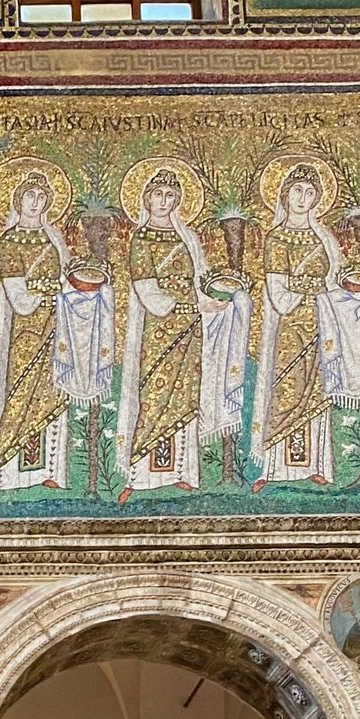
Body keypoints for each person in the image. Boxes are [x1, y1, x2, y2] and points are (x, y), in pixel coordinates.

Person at [115, 168, 247, 499]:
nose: (164, 201)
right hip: (158, 332)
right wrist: (193, 307)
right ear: (147, 199)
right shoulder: (141, 239)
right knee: (155, 397)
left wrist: (218, 298)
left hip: (190, 331)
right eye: (158, 195)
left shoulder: (187, 238)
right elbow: (149, 294)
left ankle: (181, 472)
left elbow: (200, 281)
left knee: (187, 396)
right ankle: (140, 477)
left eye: (170, 196)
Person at [251, 163, 360, 488]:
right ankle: (274, 470)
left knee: (317, 394)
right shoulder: (276, 238)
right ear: (285, 195)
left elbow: (335, 282)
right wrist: (313, 289)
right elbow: (279, 295)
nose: (303, 198)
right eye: (297, 190)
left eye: (310, 193)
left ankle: (315, 466)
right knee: (287, 391)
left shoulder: (323, 238)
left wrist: (358, 293)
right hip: (290, 329)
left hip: (323, 326)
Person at [0, 171, 72, 495]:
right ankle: (6, 475)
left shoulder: (53, 239)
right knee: (19, 395)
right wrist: (47, 291)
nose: (35, 202)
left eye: (41, 196)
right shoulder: (8, 241)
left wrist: (60, 291)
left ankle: (49, 471)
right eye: (30, 195)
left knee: (52, 394)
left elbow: (65, 281)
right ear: (18, 200)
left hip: (55, 327)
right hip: (24, 333)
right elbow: (18, 297)